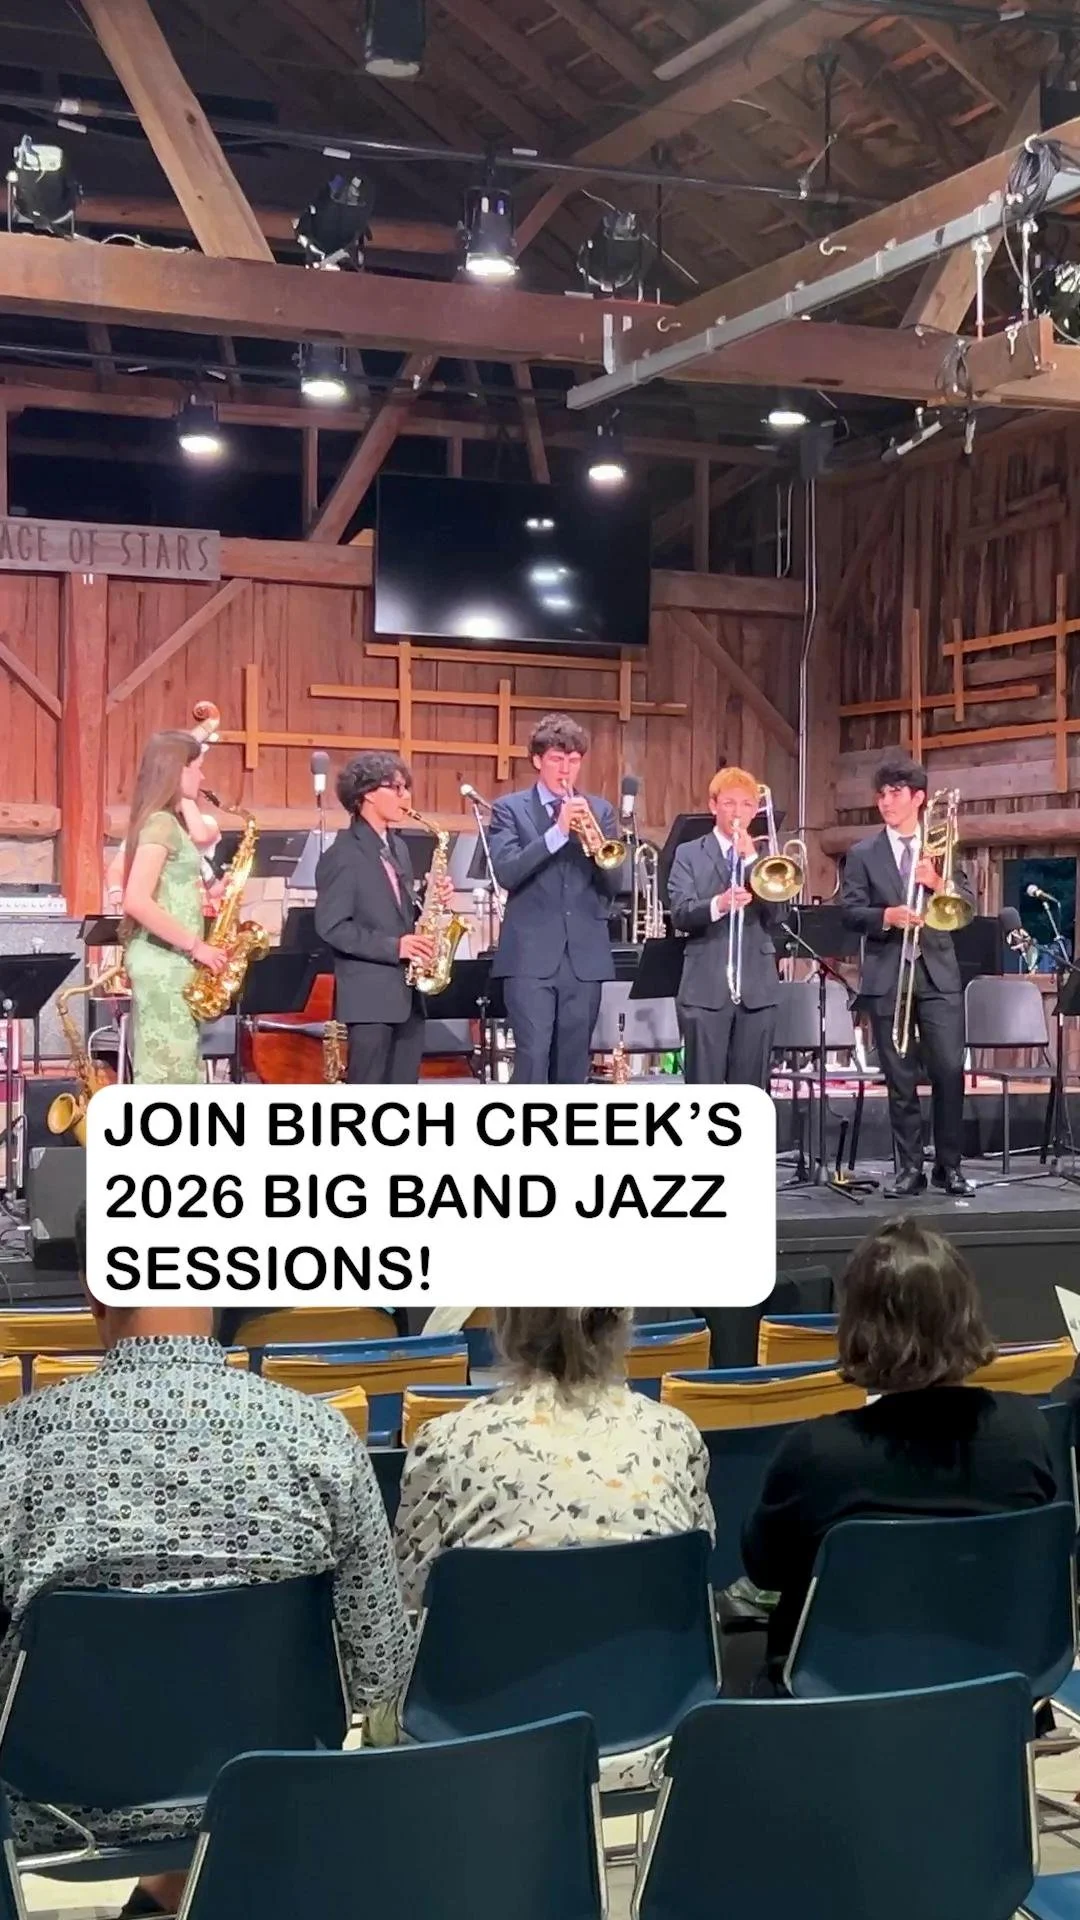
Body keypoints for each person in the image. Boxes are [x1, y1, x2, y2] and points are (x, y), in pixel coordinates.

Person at [0, 1205, 412, 1904]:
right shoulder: (319, 1437)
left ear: (95, 1290)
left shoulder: (18, 1446)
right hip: (270, 1792)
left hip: (52, 1812)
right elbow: (381, 1676)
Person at [394, 1306, 713, 1788]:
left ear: (505, 1326)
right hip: (651, 1738)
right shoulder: (675, 1436)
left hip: (473, 1746)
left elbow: (408, 1596)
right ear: (620, 1323)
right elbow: (700, 1573)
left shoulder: (445, 1443)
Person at [742, 1218, 1057, 1687]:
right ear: (966, 1314)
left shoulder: (817, 1453)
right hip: (990, 1687)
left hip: (839, 1694)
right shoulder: (1027, 1430)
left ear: (857, 1325)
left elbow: (765, 1570)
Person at [841, 755, 975, 1197]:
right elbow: (850, 912)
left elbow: (967, 906)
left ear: (918, 798)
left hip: (937, 974)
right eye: (881, 794)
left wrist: (938, 883)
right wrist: (887, 916)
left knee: (949, 1070)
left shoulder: (943, 846)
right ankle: (910, 1168)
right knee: (899, 1078)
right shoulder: (862, 854)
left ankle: (949, 1167)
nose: (886, 802)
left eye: (895, 793)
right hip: (888, 974)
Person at [488, 714, 622, 1082]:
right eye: (556, 759)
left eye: (573, 760)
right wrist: (559, 832)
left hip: (584, 958)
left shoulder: (600, 810)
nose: (566, 769)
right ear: (537, 760)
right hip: (530, 957)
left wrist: (593, 846)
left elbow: (614, 881)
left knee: (574, 1063)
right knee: (532, 1057)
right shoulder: (509, 809)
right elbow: (507, 871)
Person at [314, 751, 451, 1085]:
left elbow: (397, 912)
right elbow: (332, 927)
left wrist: (431, 898)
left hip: (407, 997)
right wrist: (395, 947)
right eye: (397, 788)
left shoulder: (397, 848)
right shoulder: (343, 854)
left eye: (406, 788)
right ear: (369, 794)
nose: (406, 797)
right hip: (370, 1000)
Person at [121, 730, 229, 1084]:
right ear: (177, 769)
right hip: (164, 963)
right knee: (170, 1074)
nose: (202, 776)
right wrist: (197, 946)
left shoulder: (168, 821)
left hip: (173, 961)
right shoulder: (161, 823)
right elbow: (137, 899)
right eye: (196, 767)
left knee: (183, 1073)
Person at [666, 766, 781, 1086]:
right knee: (705, 1091)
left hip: (757, 991)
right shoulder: (689, 853)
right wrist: (719, 904)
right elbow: (681, 913)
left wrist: (752, 862)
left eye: (746, 805)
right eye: (729, 803)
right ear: (713, 806)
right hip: (705, 989)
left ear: (755, 811)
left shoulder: (767, 856)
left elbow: (779, 914)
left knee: (751, 1092)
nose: (737, 812)